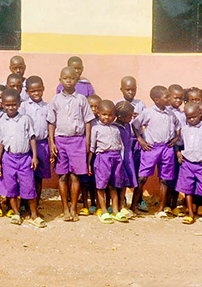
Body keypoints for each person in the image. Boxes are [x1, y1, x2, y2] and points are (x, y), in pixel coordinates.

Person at [48, 67, 96, 222]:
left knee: (76, 176)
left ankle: (74, 208)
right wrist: (51, 143)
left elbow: (88, 121)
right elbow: (51, 123)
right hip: (60, 141)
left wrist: (87, 141)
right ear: (60, 79)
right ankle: (65, 209)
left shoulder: (81, 99)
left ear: (77, 80)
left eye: (72, 78)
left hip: (77, 141)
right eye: (65, 78)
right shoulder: (55, 100)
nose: (68, 81)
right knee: (62, 176)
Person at [0, 89, 44, 227]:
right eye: (7, 105)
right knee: (10, 188)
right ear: (3, 105)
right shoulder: (2, 121)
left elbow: (32, 138)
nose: (10, 108)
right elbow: (0, 142)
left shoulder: (25, 119)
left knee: (29, 186)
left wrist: (34, 157)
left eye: (13, 105)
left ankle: (34, 214)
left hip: (24, 158)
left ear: (19, 104)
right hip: (8, 158)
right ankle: (16, 213)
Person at [135, 85, 179, 218]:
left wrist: (176, 138)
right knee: (142, 177)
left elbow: (178, 127)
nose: (169, 99)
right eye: (166, 97)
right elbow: (135, 125)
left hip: (167, 148)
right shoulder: (148, 112)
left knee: (165, 179)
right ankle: (134, 205)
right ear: (156, 100)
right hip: (151, 148)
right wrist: (141, 140)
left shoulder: (171, 114)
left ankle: (161, 208)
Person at [89, 100, 127, 223]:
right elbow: (92, 148)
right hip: (103, 158)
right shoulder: (95, 128)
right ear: (98, 114)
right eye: (104, 114)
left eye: (110, 115)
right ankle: (104, 211)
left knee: (114, 185)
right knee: (101, 185)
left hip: (116, 158)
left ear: (114, 116)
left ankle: (115, 210)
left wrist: (121, 161)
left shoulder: (116, 129)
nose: (107, 117)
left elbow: (121, 146)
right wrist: (89, 164)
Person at [20, 75, 50, 198]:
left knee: (39, 176)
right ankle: (24, 204)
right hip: (27, 145)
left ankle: (36, 203)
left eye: (39, 90)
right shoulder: (23, 106)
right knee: (26, 176)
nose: (36, 93)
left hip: (42, 144)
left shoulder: (48, 107)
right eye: (32, 91)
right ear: (27, 92)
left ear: (43, 89)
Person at [114, 101, 139, 218]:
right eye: (130, 116)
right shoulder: (114, 128)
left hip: (127, 158)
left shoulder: (128, 126)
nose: (131, 118)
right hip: (118, 158)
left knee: (124, 182)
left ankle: (122, 206)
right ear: (121, 117)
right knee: (117, 182)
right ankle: (116, 205)